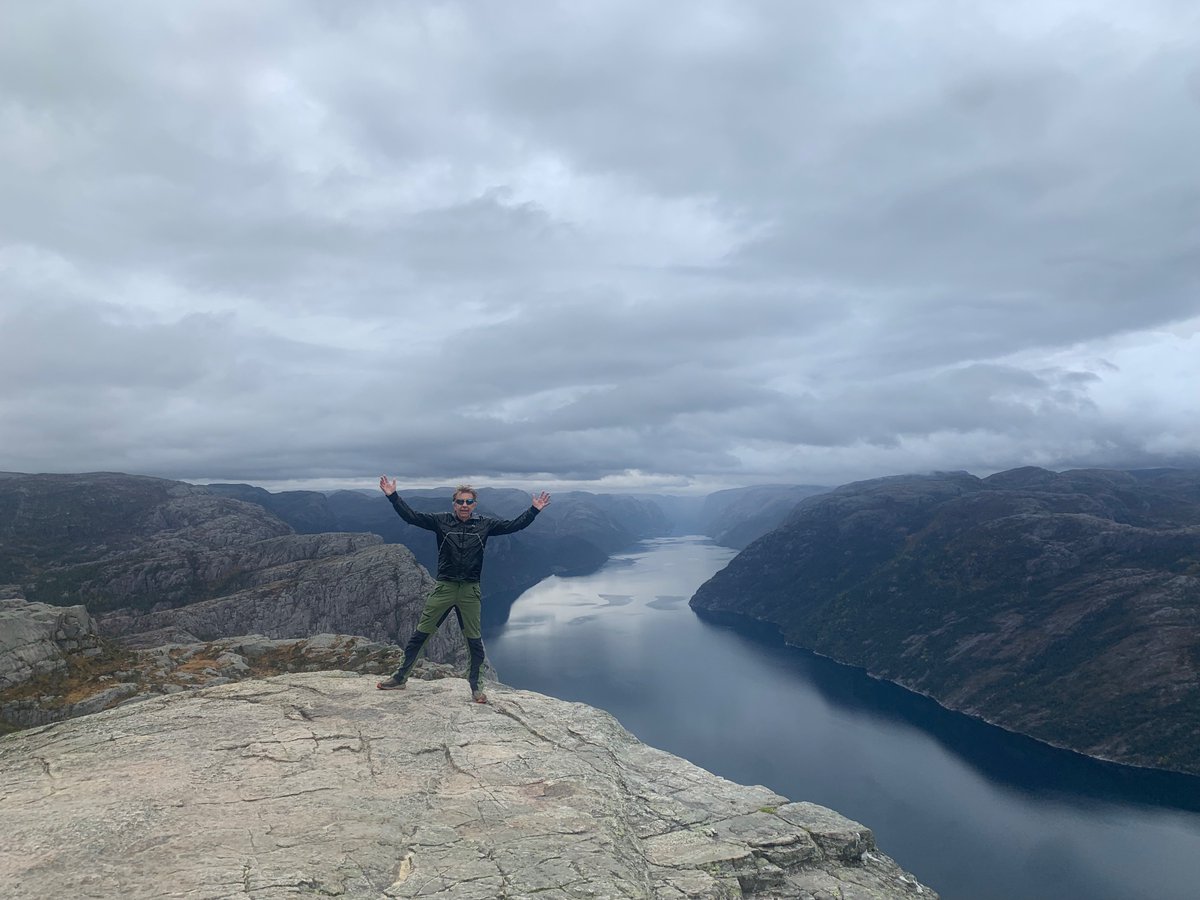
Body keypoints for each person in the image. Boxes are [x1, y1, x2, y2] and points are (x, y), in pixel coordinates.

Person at [375, 476, 551, 703]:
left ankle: (476, 688)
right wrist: (393, 496)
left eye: (469, 502)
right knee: (421, 635)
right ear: (454, 504)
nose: (464, 506)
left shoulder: (485, 525)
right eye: (460, 502)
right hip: (445, 587)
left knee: (474, 641)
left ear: (475, 505)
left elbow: (512, 526)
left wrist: (534, 510)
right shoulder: (441, 521)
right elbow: (412, 517)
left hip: (470, 590)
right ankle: (400, 678)